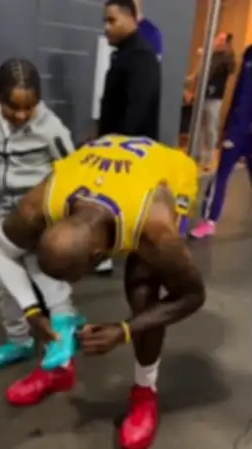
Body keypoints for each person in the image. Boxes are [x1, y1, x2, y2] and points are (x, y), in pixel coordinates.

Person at [0, 134, 205, 449]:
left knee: (142, 289)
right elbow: (2, 248)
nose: (73, 287)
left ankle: (145, 392)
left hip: (162, 175)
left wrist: (124, 331)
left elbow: (192, 295)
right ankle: (59, 366)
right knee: (39, 264)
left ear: (99, 257)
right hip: (102, 169)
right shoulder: (41, 203)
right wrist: (31, 310)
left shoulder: (154, 228)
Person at [0, 58, 81, 369]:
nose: (21, 115)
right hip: (5, 208)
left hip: (39, 208)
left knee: (41, 270)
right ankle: (19, 341)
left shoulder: (51, 128)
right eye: (13, 107)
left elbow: (72, 173)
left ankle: (63, 331)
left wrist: (67, 221)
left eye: (29, 107)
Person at [93, 0, 162, 276]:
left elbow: (135, 111)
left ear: (131, 19)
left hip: (129, 151)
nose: (106, 27)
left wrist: (116, 149)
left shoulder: (141, 57)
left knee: (119, 204)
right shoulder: (125, 54)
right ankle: (108, 251)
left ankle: (120, 254)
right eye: (105, 21)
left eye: (112, 21)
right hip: (116, 146)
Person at [190, 44, 252, 239]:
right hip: (238, 128)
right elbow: (240, 93)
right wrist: (228, 127)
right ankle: (209, 221)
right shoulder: (251, 53)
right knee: (221, 174)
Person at [186, 32, 237, 157]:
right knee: (197, 126)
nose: (219, 41)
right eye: (218, 38)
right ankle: (195, 154)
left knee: (210, 127)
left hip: (215, 97)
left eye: (222, 39)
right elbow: (197, 73)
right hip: (201, 95)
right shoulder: (208, 55)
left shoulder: (227, 57)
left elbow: (232, 68)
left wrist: (227, 49)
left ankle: (208, 156)